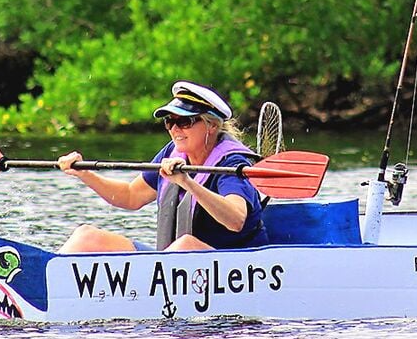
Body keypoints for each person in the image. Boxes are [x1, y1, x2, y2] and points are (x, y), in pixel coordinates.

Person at [57, 81, 268, 253]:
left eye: (185, 122)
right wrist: (84, 174)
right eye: (170, 121)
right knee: (87, 236)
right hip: (174, 266)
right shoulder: (172, 152)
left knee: (186, 245)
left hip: (233, 269)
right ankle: (41, 284)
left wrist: (187, 183)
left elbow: (236, 219)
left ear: (211, 125)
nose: (175, 129)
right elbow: (130, 196)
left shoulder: (232, 162)